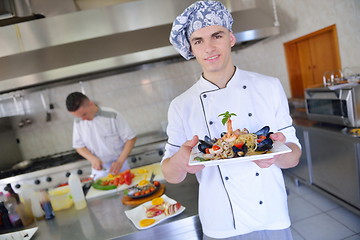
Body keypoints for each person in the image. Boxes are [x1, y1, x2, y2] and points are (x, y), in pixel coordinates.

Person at [161, 1, 302, 240]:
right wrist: (181, 161)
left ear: (231, 38)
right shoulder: (181, 106)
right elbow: (171, 175)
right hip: (221, 224)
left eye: (217, 35)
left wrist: (278, 153)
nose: (209, 47)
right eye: (198, 41)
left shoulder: (269, 86)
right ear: (191, 50)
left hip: (271, 214)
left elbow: (294, 157)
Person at [66, 92, 136, 179]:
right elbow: (79, 147)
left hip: (120, 166)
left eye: (84, 114)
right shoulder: (78, 121)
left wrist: (120, 161)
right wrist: (92, 159)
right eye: (79, 116)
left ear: (90, 104)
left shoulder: (112, 115)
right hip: (99, 170)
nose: (83, 119)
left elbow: (131, 139)